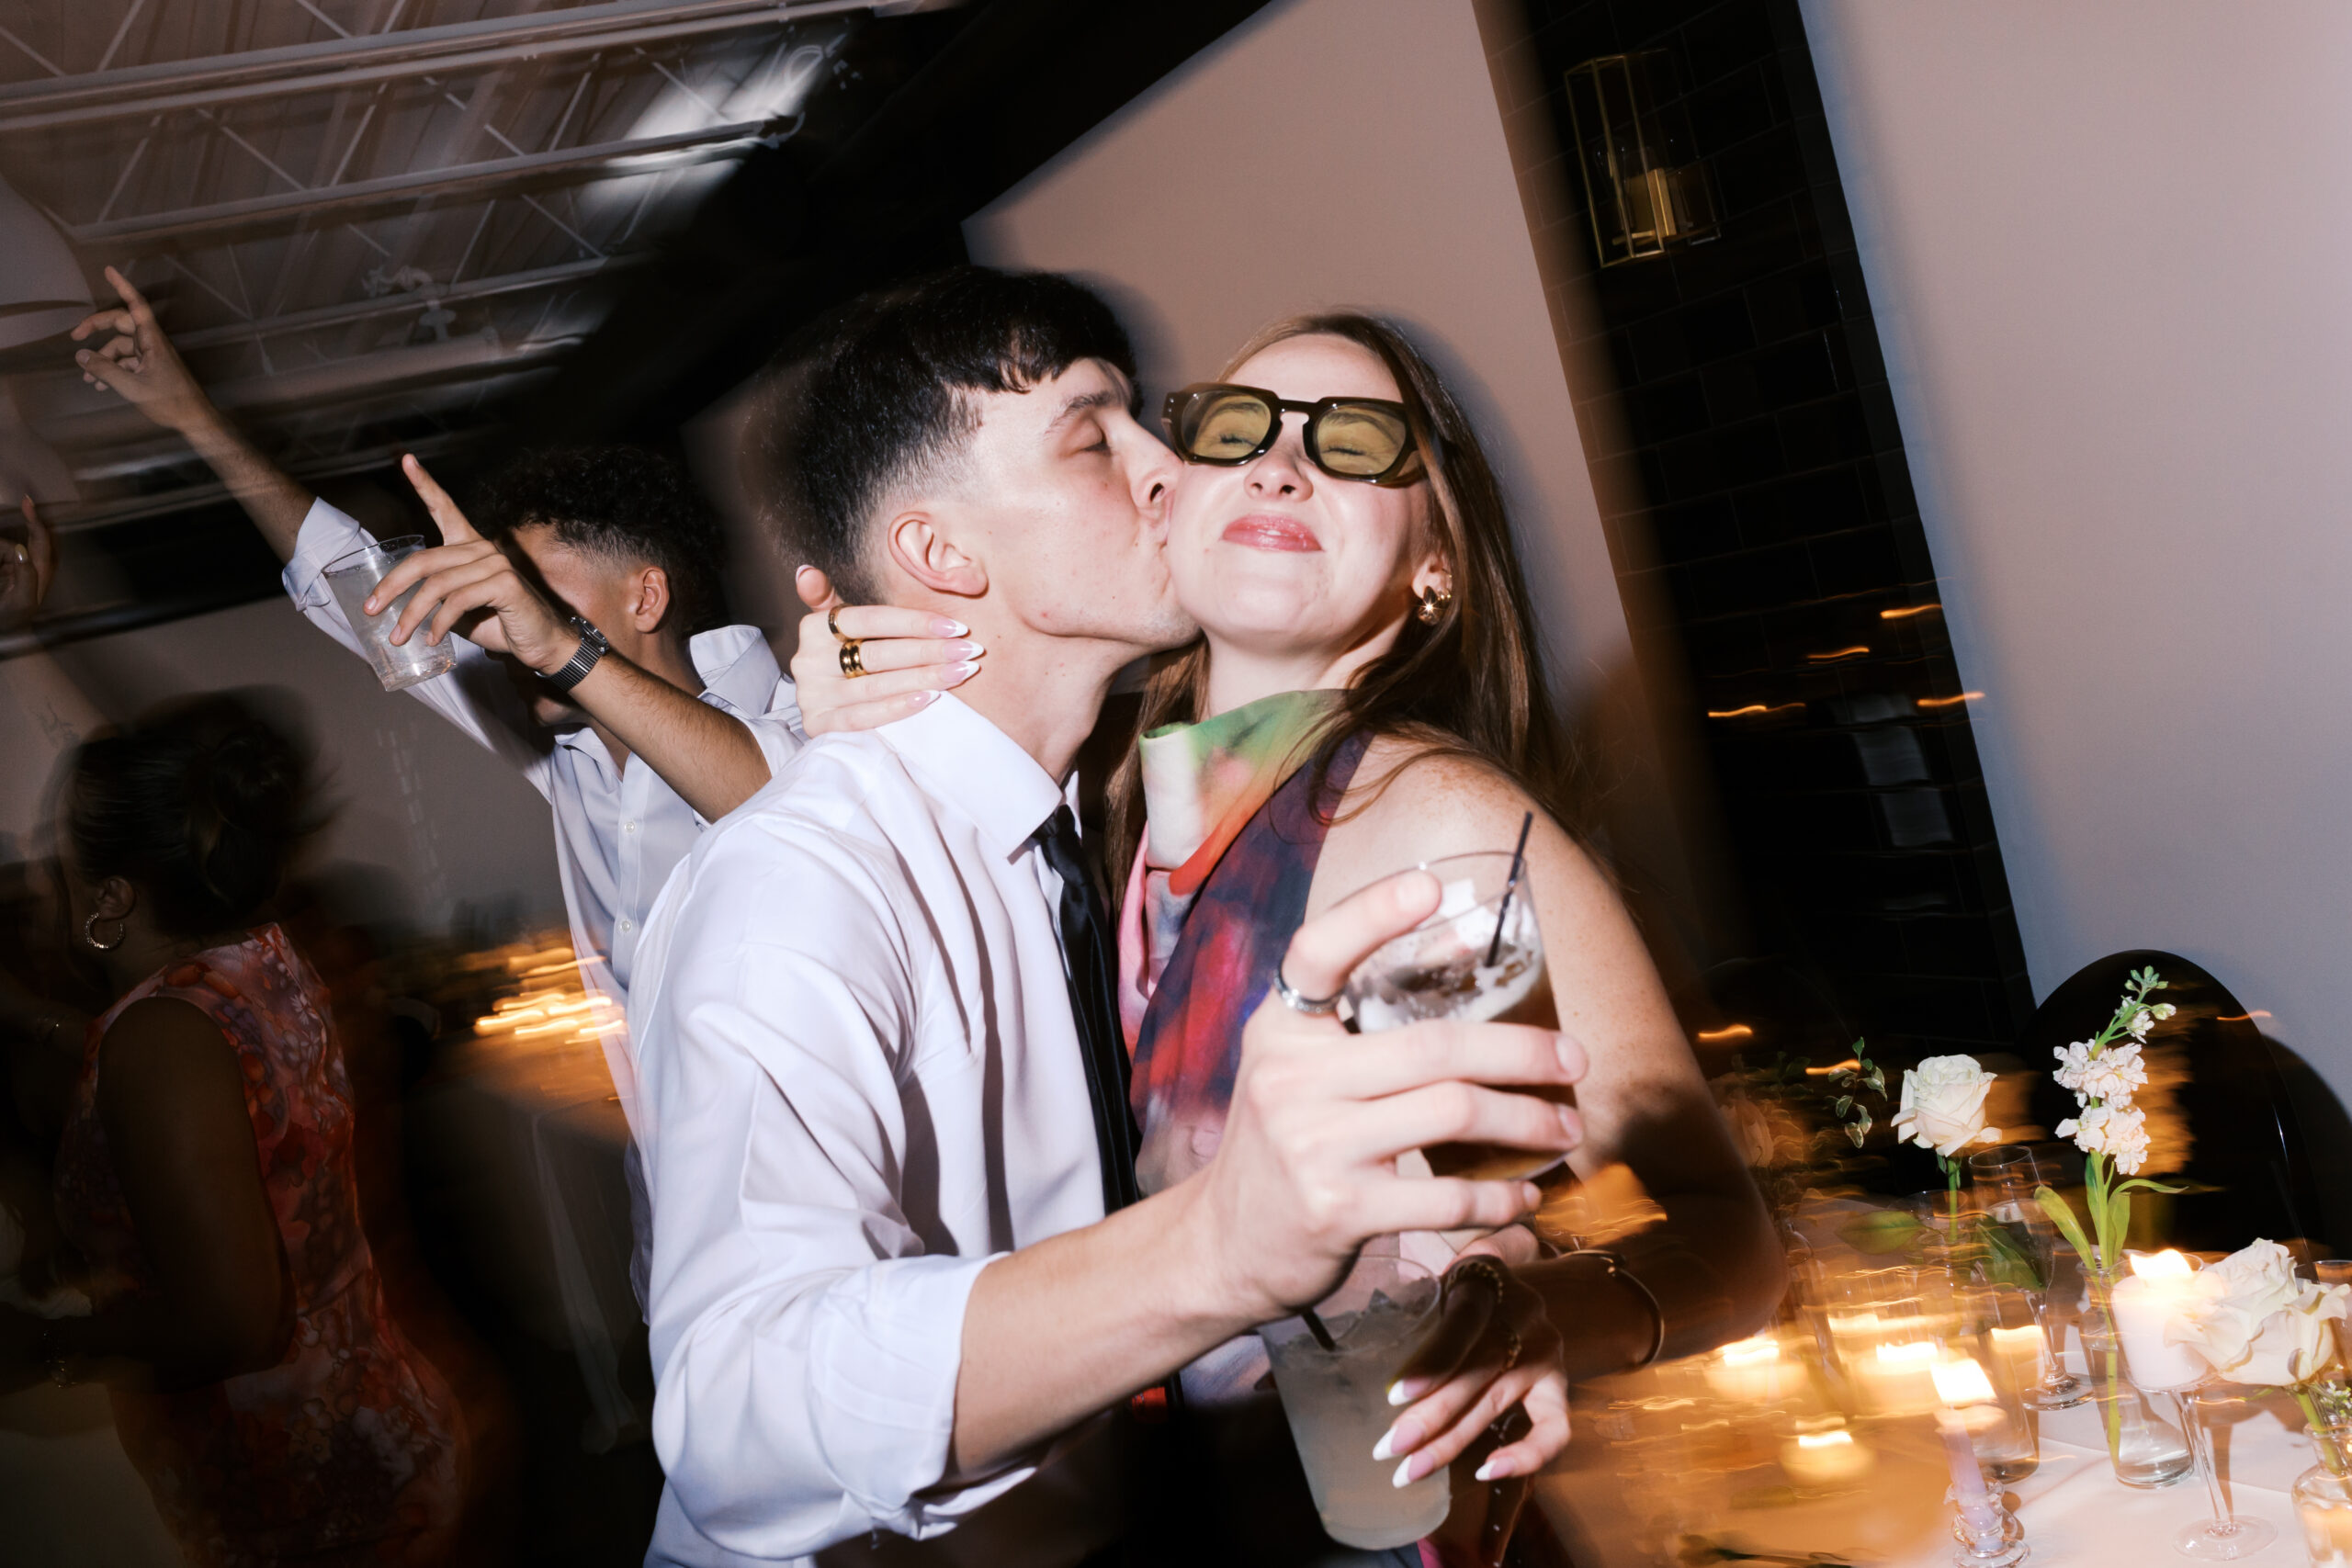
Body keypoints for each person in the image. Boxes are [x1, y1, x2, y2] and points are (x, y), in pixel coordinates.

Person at [794, 310, 1786, 1558]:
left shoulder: (1445, 829)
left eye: (1358, 442)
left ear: (1438, 563)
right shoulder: (1103, 802)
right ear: (1168, 505)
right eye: (1236, 428)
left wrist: (1538, 1313)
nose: (1282, 463)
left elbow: (1727, 1234)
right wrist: (841, 696)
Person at [628, 267, 1580, 1568]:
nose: (1174, 471)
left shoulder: (1116, 815)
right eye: (1096, 438)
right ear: (944, 555)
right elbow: (736, 1414)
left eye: (1159, 425)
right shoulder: (807, 873)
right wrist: (1221, 1247)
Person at [67, 266, 803, 1125]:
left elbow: (776, 801)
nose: (510, 621)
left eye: (534, 592)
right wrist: (196, 420)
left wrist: (561, 644)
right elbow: (352, 591)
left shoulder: (799, 719)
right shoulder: (566, 753)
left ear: (645, 597)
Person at [0, 695, 474, 1566]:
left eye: (61, 865)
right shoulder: (260, 961)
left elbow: (232, 1324)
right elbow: (183, 1096)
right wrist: (34, 1017)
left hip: (305, 1496)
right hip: (373, 1430)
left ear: (111, 897)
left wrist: (43, 1350)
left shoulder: (160, 1041)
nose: (40, 880)